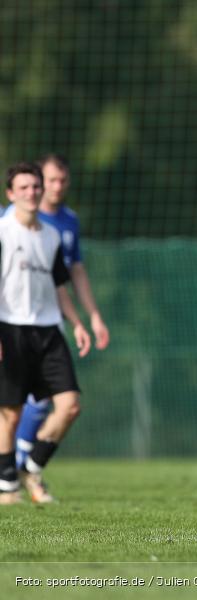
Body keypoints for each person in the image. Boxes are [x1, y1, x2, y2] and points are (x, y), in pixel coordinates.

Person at [7, 154, 109, 503]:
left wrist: (86, 318)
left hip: (50, 323)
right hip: (15, 325)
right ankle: (12, 478)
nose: (48, 189)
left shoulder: (61, 227)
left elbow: (67, 277)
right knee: (17, 407)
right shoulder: (8, 226)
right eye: (41, 182)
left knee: (66, 404)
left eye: (56, 181)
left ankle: (27, 468)